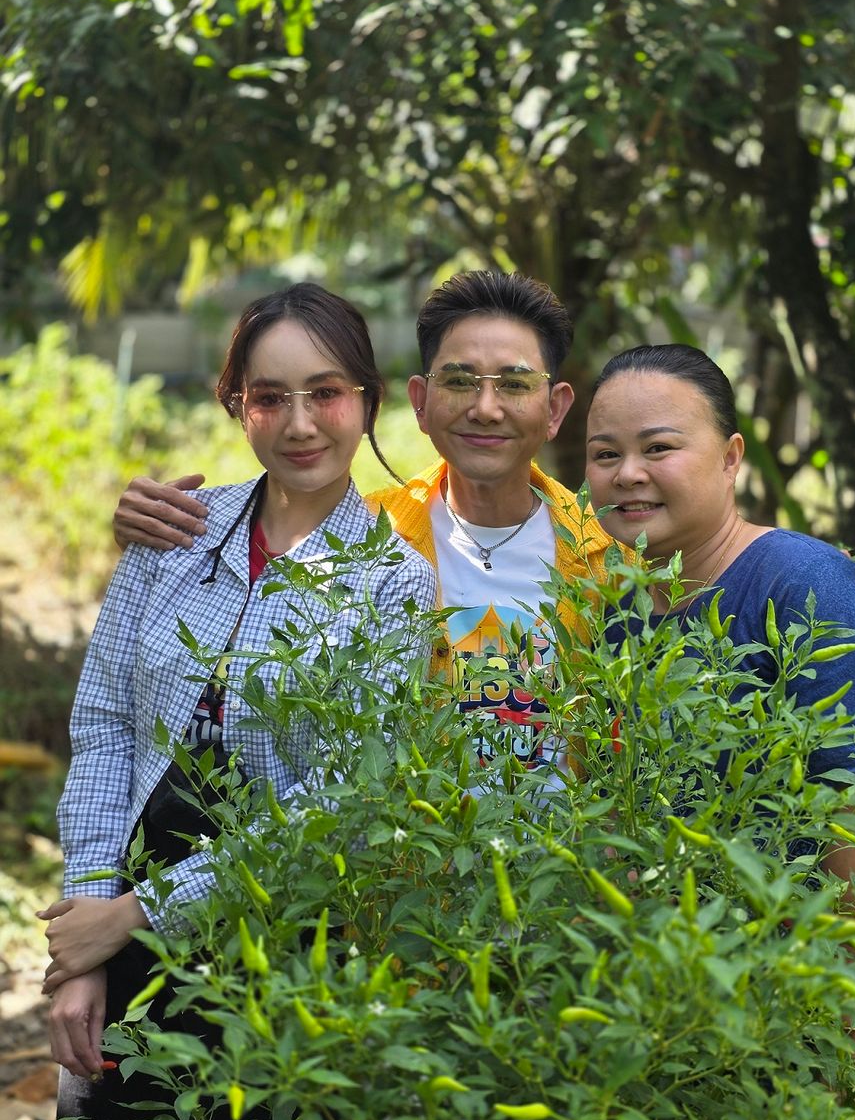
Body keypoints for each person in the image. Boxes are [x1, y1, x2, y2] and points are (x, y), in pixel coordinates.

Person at [40, 283, 436, 1120]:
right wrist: (86, 937)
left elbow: (340, 799)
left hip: (269, 942)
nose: (300, 423)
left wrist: (135, 914)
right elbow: (105, 729)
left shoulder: (390, 584)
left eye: (327, 392)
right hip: (123, 913)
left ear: (369, 402)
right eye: (269, 396)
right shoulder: (173, 536)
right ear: (236, 404)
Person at [585, 343, 855, 1120]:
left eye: (659, 447)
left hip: (832, 1010)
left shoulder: (804, 586)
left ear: (733, 456)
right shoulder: (630, 610)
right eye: (603, 454)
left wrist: (851, 1033)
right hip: (711, 1015)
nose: (627, 474)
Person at [111, 271, 614, 778]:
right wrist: (145, 531)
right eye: (459, 382)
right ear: (420, 402)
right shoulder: (363, 540)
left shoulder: (608, 561)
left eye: (515, 384)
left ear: (554, 409)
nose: (486, 408)